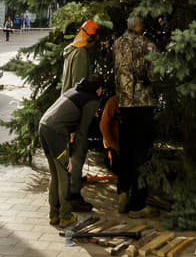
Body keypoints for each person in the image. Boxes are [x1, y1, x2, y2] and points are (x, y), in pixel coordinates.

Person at [38, 77, 105, 229]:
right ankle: (66, 216)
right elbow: (82, 130)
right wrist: (74, 153)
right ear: (97, 89)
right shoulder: (92, 99)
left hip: (43, 126)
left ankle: (54, 214)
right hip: (56, 133)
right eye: (101, 88)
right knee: (64, 175)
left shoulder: (74, 91)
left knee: (55, 174)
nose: (102, 91)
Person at [113, 14, 157, 217]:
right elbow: (154, 74)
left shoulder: (117, 44)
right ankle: (139, 204)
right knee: (141, 152)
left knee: (126, 149)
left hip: (124, 103)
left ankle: (122, 193)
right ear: (140, 26)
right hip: (143, 104)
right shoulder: (147, 45)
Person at [60, 19, 101, 212]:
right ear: (90, 37)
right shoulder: (81, 54)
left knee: (73, 151)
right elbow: (78, 87)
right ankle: (73, 195)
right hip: (77, 109)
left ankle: (70, 188)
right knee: (78, 149)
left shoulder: (71, 50)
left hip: (67, 105)